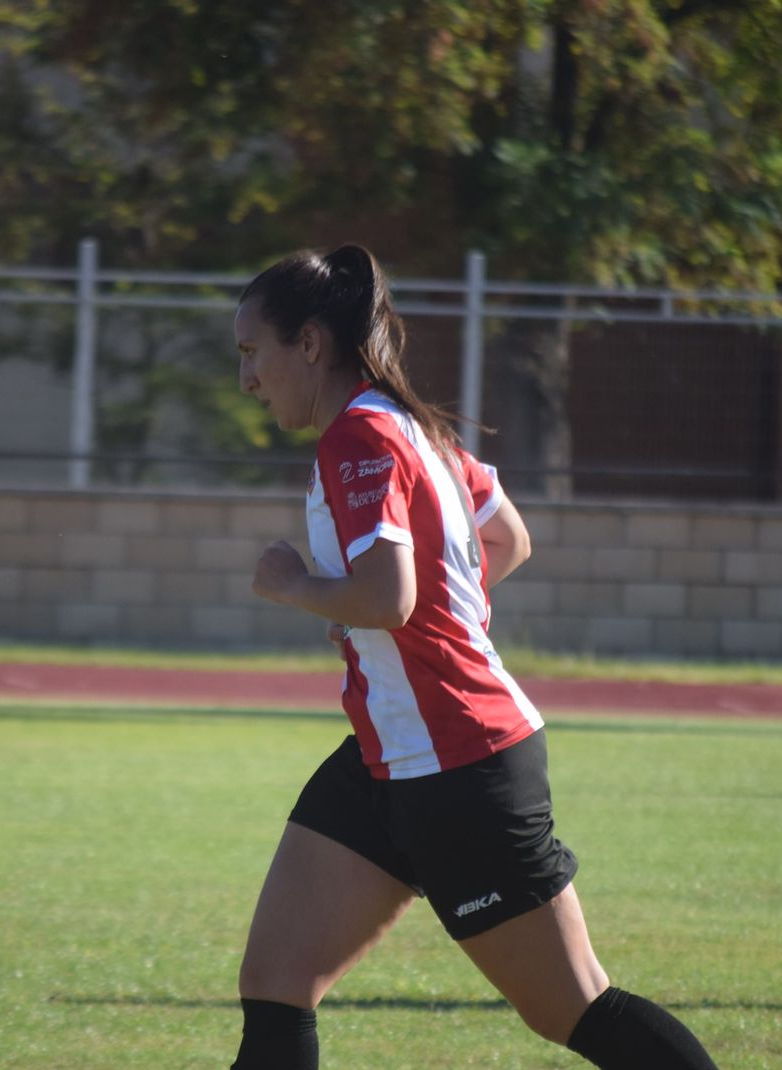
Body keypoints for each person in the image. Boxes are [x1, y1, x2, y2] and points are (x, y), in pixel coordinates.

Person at [228, 244, 718, 1068]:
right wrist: (396, 613)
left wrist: (299, 587)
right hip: (389, 760)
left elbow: (389, 598)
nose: (246, 378)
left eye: (252, 352)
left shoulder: (355, 437)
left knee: (575, 1007)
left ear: (308, 343)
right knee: (276, 980)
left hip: (459, 763)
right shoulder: (413, 425)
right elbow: (506, 538)